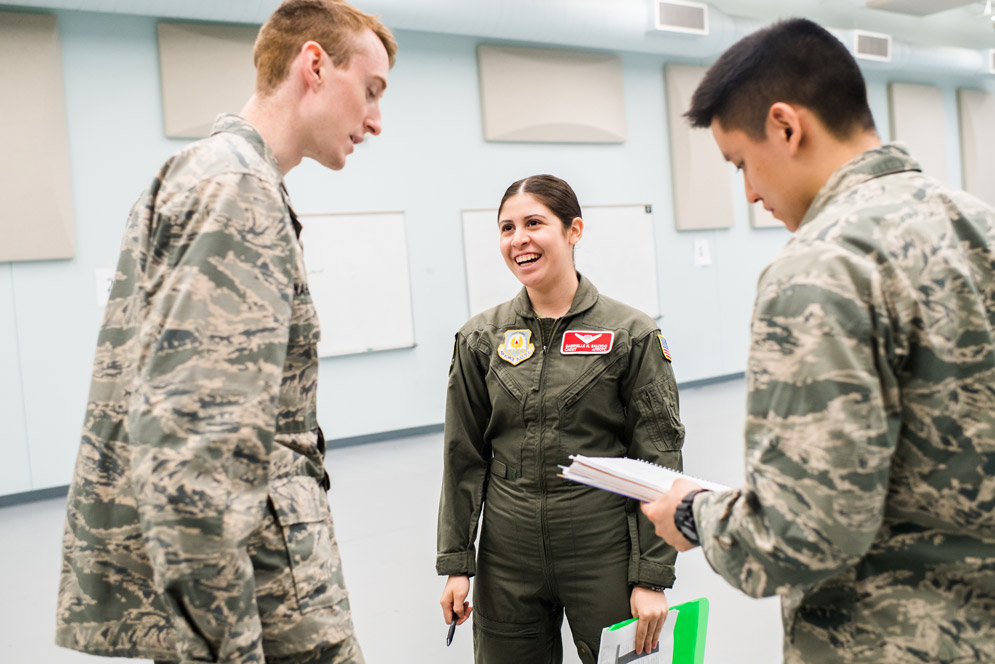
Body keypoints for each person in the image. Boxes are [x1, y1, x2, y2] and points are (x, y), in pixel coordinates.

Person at [640, 17, 995, 664]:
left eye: (740, 162)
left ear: (785, 125)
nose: (747, 192)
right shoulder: (977, 223)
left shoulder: (820, 264)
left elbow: (801, 531)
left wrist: (695, 514)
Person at [54, 2, 396, 663]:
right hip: (265, 598)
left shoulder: (208, 173)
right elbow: (196, 450)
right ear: (315, 65)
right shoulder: (237, 188)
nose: (376, 121)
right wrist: (225, 647)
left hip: (255, 578)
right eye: (371, 91)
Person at [437, 174, 685, 663]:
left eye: (534, 223)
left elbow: (658, 457)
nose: (519, 239)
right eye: (507, 228)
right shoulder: (480, 339)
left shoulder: (629, 335)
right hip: (506, 555)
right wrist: (457, 564)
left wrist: (651, 576)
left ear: (574, 231)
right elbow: (462, 456)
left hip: (602, 548)